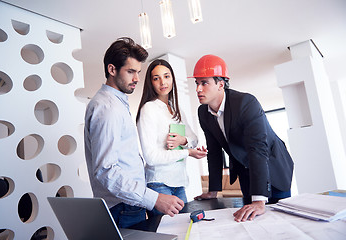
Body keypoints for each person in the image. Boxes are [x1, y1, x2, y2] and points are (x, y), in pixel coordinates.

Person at [84, 38, 184, 228]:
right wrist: (153, 199)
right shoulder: (108, 108)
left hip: (128, 204)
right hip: (123, 207)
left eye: (138, 72)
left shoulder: (115, 103)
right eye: (130, 72)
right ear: (112, 70)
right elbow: (106, 170)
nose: (137, 78)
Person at [192, 54, 294, 222]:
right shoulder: (203, 113)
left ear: (220, 84)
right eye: (196, 83)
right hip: (245, 171)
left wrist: (259, 201)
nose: (198, 89)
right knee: (251, 220)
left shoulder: (246, 103)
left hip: (273, 166)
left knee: (281, 222)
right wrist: (213, 189)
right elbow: (214, 151)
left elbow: (258, 149)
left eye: (204, 83)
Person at [136, 59, 207, 216]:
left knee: (185, 232)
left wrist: (183, 141)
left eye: (166, 76)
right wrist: (187, 152)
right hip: (159, 184)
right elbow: (151, 158)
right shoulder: (149, 109)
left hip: (179, 183)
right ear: (150, 83)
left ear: (172, 78)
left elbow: (194, 139)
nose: (163, 82)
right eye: (156, 78)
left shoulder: (175, 109)